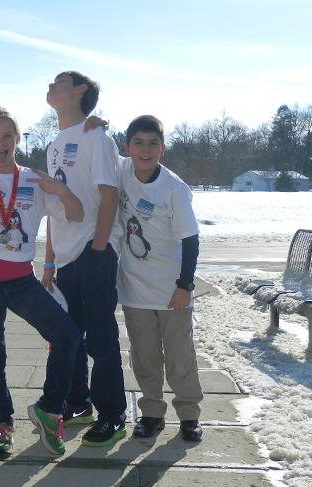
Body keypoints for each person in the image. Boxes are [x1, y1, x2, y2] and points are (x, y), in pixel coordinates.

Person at [0, 107, 84, 456]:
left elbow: (75, 213)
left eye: (7, 135)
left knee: (66, 335)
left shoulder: (34, 180)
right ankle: (1, 426)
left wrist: (59, 189)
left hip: (21, 279)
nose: (0, 142)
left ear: (17, 139)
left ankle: (49, 409)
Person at [41, 71, 128, 447]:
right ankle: (79, 403)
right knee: (68, 338)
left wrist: (97, 250)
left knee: (101, 340)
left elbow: (110, 197)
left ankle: (113, 415)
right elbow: (54, 208)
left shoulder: (97, 137)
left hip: (93, 252)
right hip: (64, 259)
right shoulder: (54, 144)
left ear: (80, 91)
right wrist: (48, 262)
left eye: (59, 80)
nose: (50, 84)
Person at [117, 115, 203, 442]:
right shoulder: (122, 171)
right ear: (127, 148)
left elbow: (191, 241)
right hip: (135, 290)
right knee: (145, 358)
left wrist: (185, 287)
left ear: (162, 149)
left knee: (180, 358)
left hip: (172, 292)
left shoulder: (174, 189)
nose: (145, 149)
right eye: (138, 142)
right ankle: (152, 413)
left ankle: (189, 416)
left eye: (153, 143)